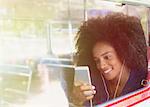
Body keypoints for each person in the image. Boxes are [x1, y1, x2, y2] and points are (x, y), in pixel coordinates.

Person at [71, 12, 148, 106]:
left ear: (123, 53)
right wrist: (78, 100)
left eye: (107, 57)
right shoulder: (94, 81)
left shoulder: (143, 81)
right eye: (97, 60)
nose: (101, 65)